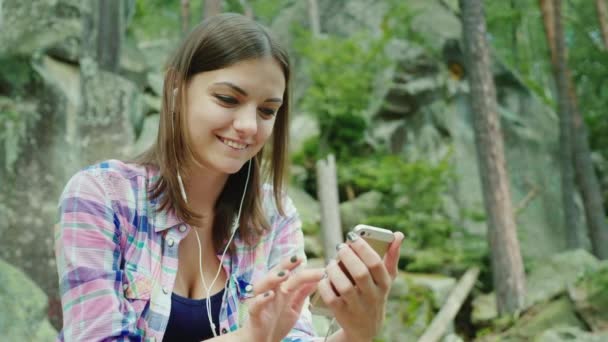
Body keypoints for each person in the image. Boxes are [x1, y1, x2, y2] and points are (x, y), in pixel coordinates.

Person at [55, 13, 404, 342]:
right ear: (176, 87)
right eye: (227, 99)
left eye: (267, 110)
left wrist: (356, 334)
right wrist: (250, 336)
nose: (249, 126)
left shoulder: (275, 215)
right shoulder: (101, 197)